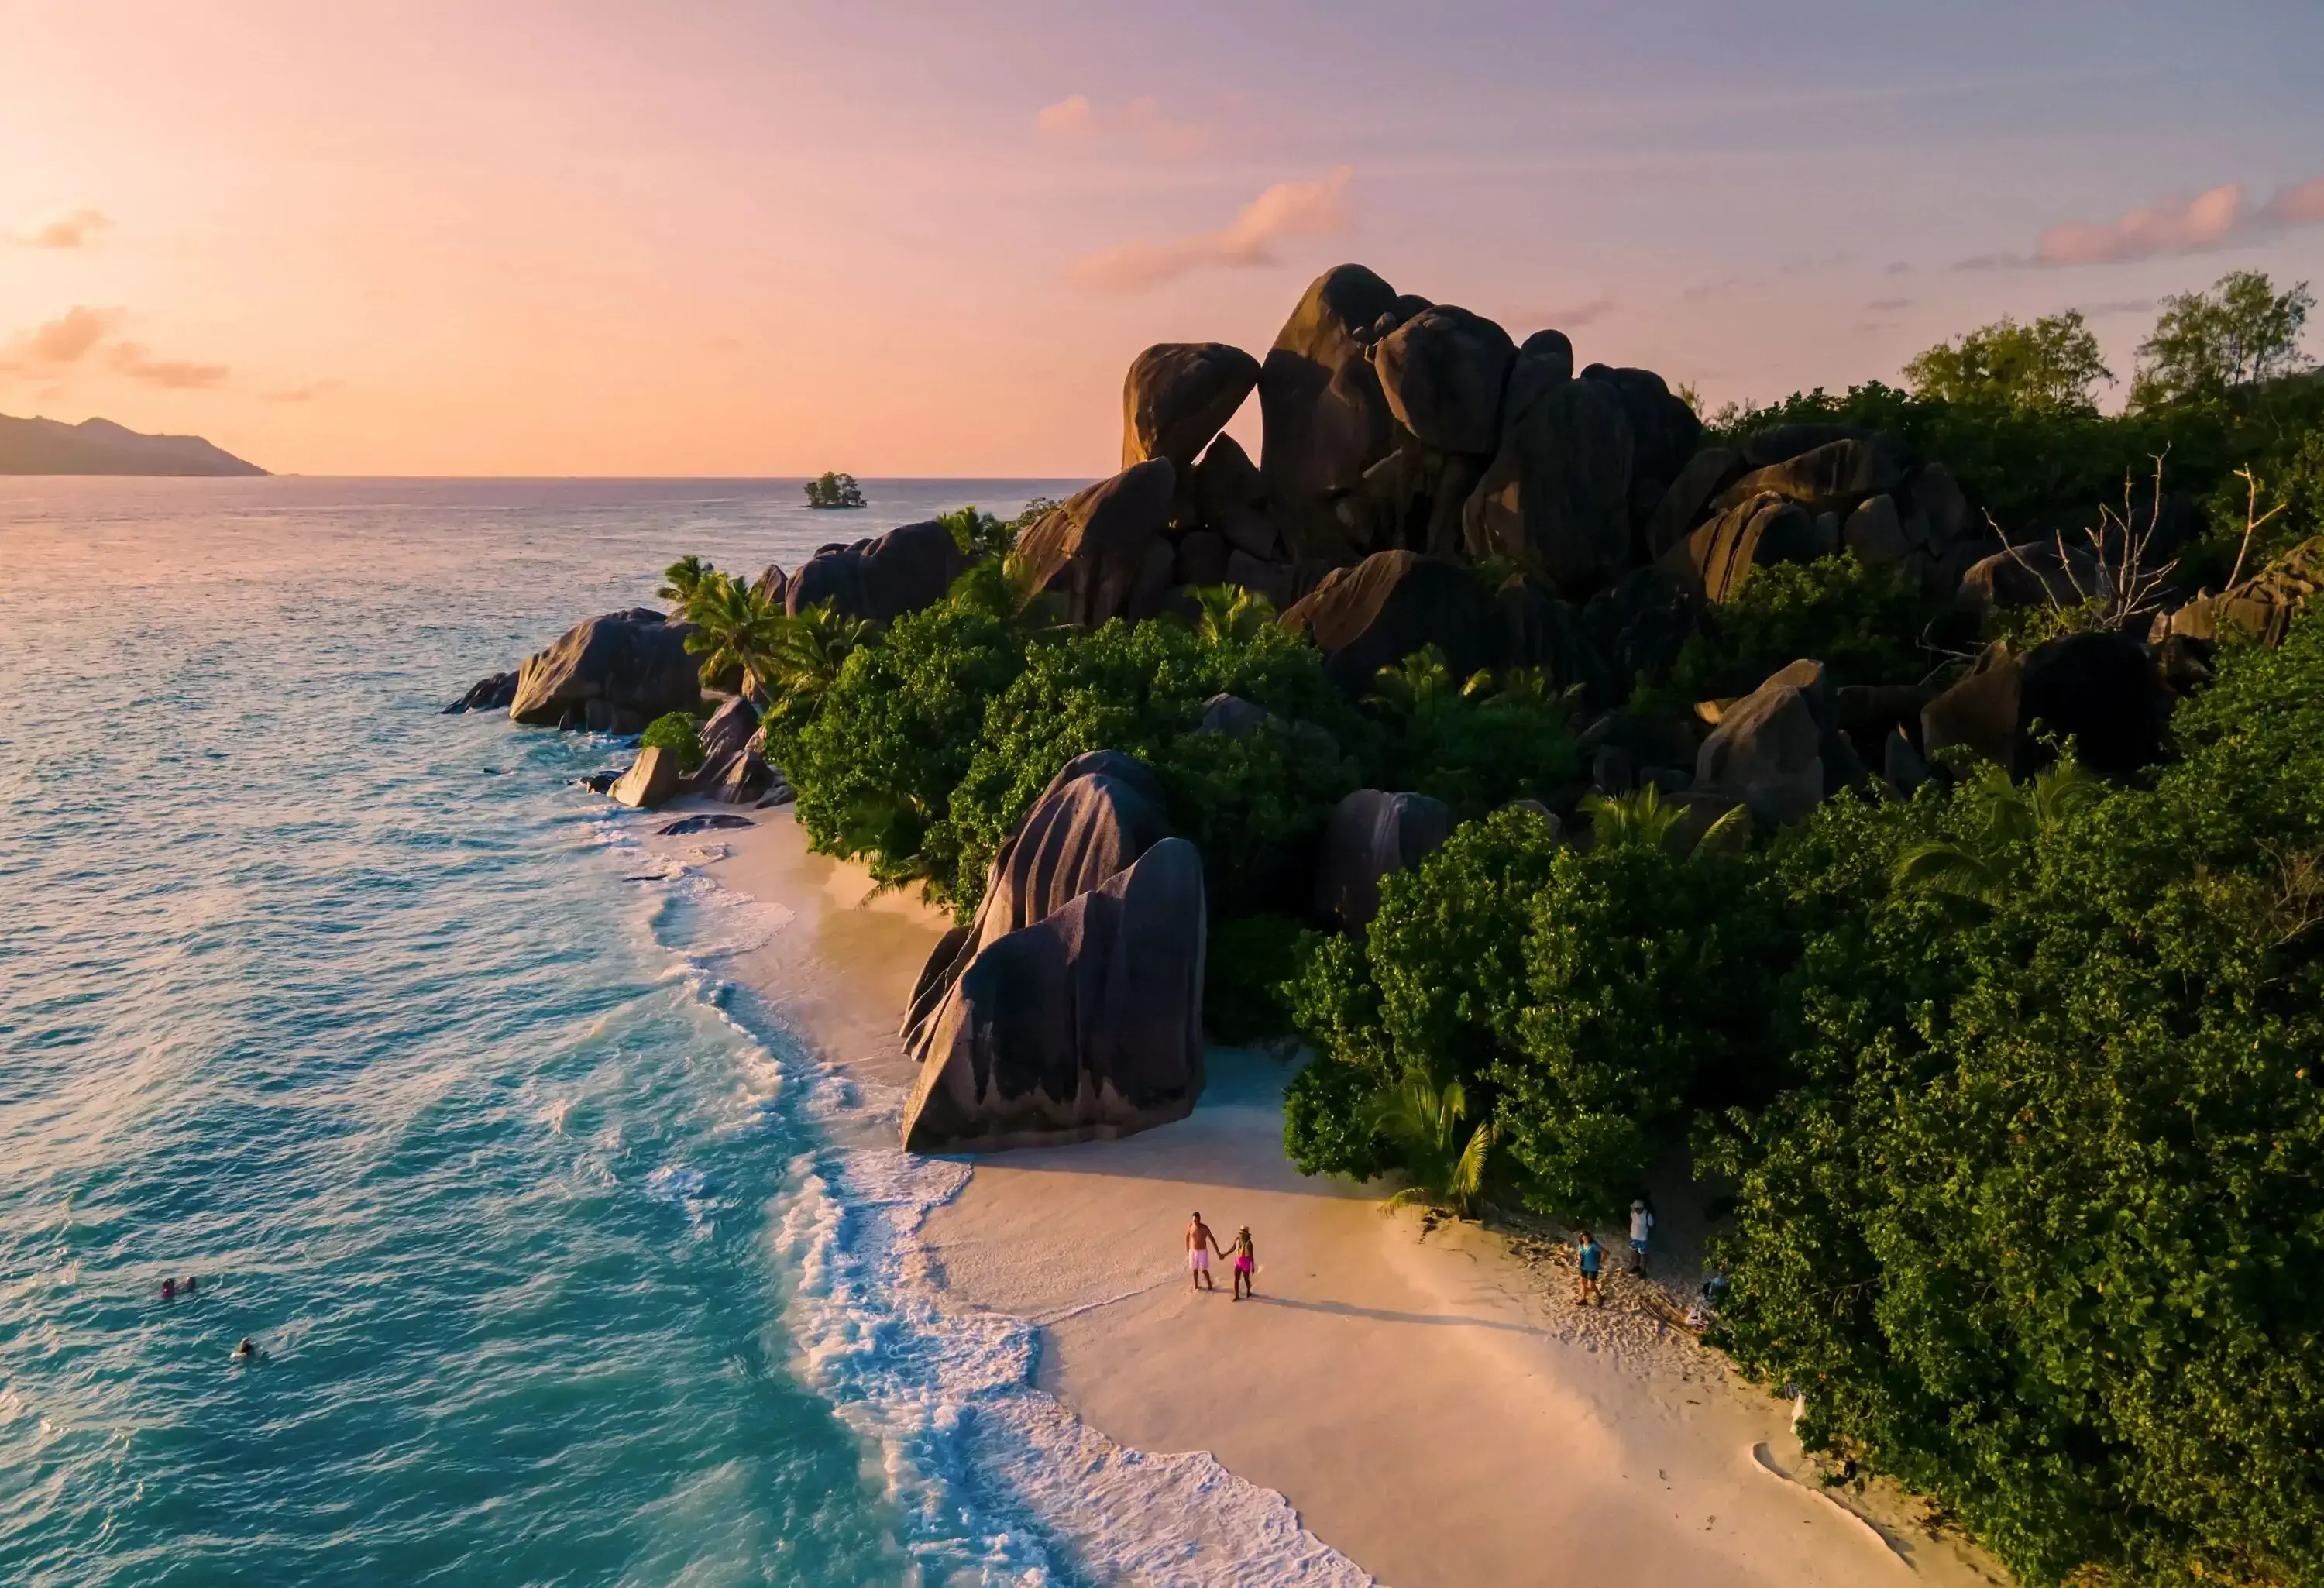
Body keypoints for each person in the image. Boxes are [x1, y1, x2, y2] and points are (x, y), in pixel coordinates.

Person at [1186, 1212, 1226, 1292]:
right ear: (1192, 1220)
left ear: (1200, 1219)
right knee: (1194, 1269)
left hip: (1202, 1251)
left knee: (1203, 1269)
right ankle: (1196, 1285)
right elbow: (1187, 1237)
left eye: (1197, 1220)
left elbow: (1213, 1240)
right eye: (1194, 1221)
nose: (1196, 1222)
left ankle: (1209, 1284)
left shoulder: (1205, 1228)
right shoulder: (1190, 1226)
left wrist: (1218, 1253)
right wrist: (1187, 1248)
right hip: (1193, 1251)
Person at [1574, 1229, 1604, 1307]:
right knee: (1583, 1283)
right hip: (1583, 1266)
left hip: (1593, 1268)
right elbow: (1578, 1254)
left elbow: (1606, 1253)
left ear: (1590, 1237)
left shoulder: (1594, 1245)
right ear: (1581, 1238)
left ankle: (1600, 1297)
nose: (1586, 1240)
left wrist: (1601, 1263)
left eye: (1587, 1238)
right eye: (1584, 1238)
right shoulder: (1581, 1245)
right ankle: (1583, 1299)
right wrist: (1578, 1257)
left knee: (1591, 1285)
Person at [1628, 1198, 1655, 1276]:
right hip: (1634, 1237)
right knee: (1636, 1251)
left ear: (1641, 1208)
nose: (1634, 1210)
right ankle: (1637, 1267)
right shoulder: (1633, 1212)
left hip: (1643, 1238)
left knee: (1643, 1254)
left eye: (1636, 1208)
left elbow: (1651, 1224)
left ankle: (1643, 1270)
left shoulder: (1648, 1215)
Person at [1230, 1225, 1257, 1301]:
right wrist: (1225, 1254)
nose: (1242, 1235)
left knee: (1246, 1280)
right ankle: (1237, 1296)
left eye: (1243, 1234)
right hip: (1238, 1263)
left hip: (1246, 1264)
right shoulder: (1237, 1240)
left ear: (1247, 1235)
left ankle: (1248, 1290)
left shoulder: (1249, 1244)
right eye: (1241, 1233)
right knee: (1236, 1279)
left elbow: (1252, 1256)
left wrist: (1253, 1267)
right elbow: (1233, 1249)